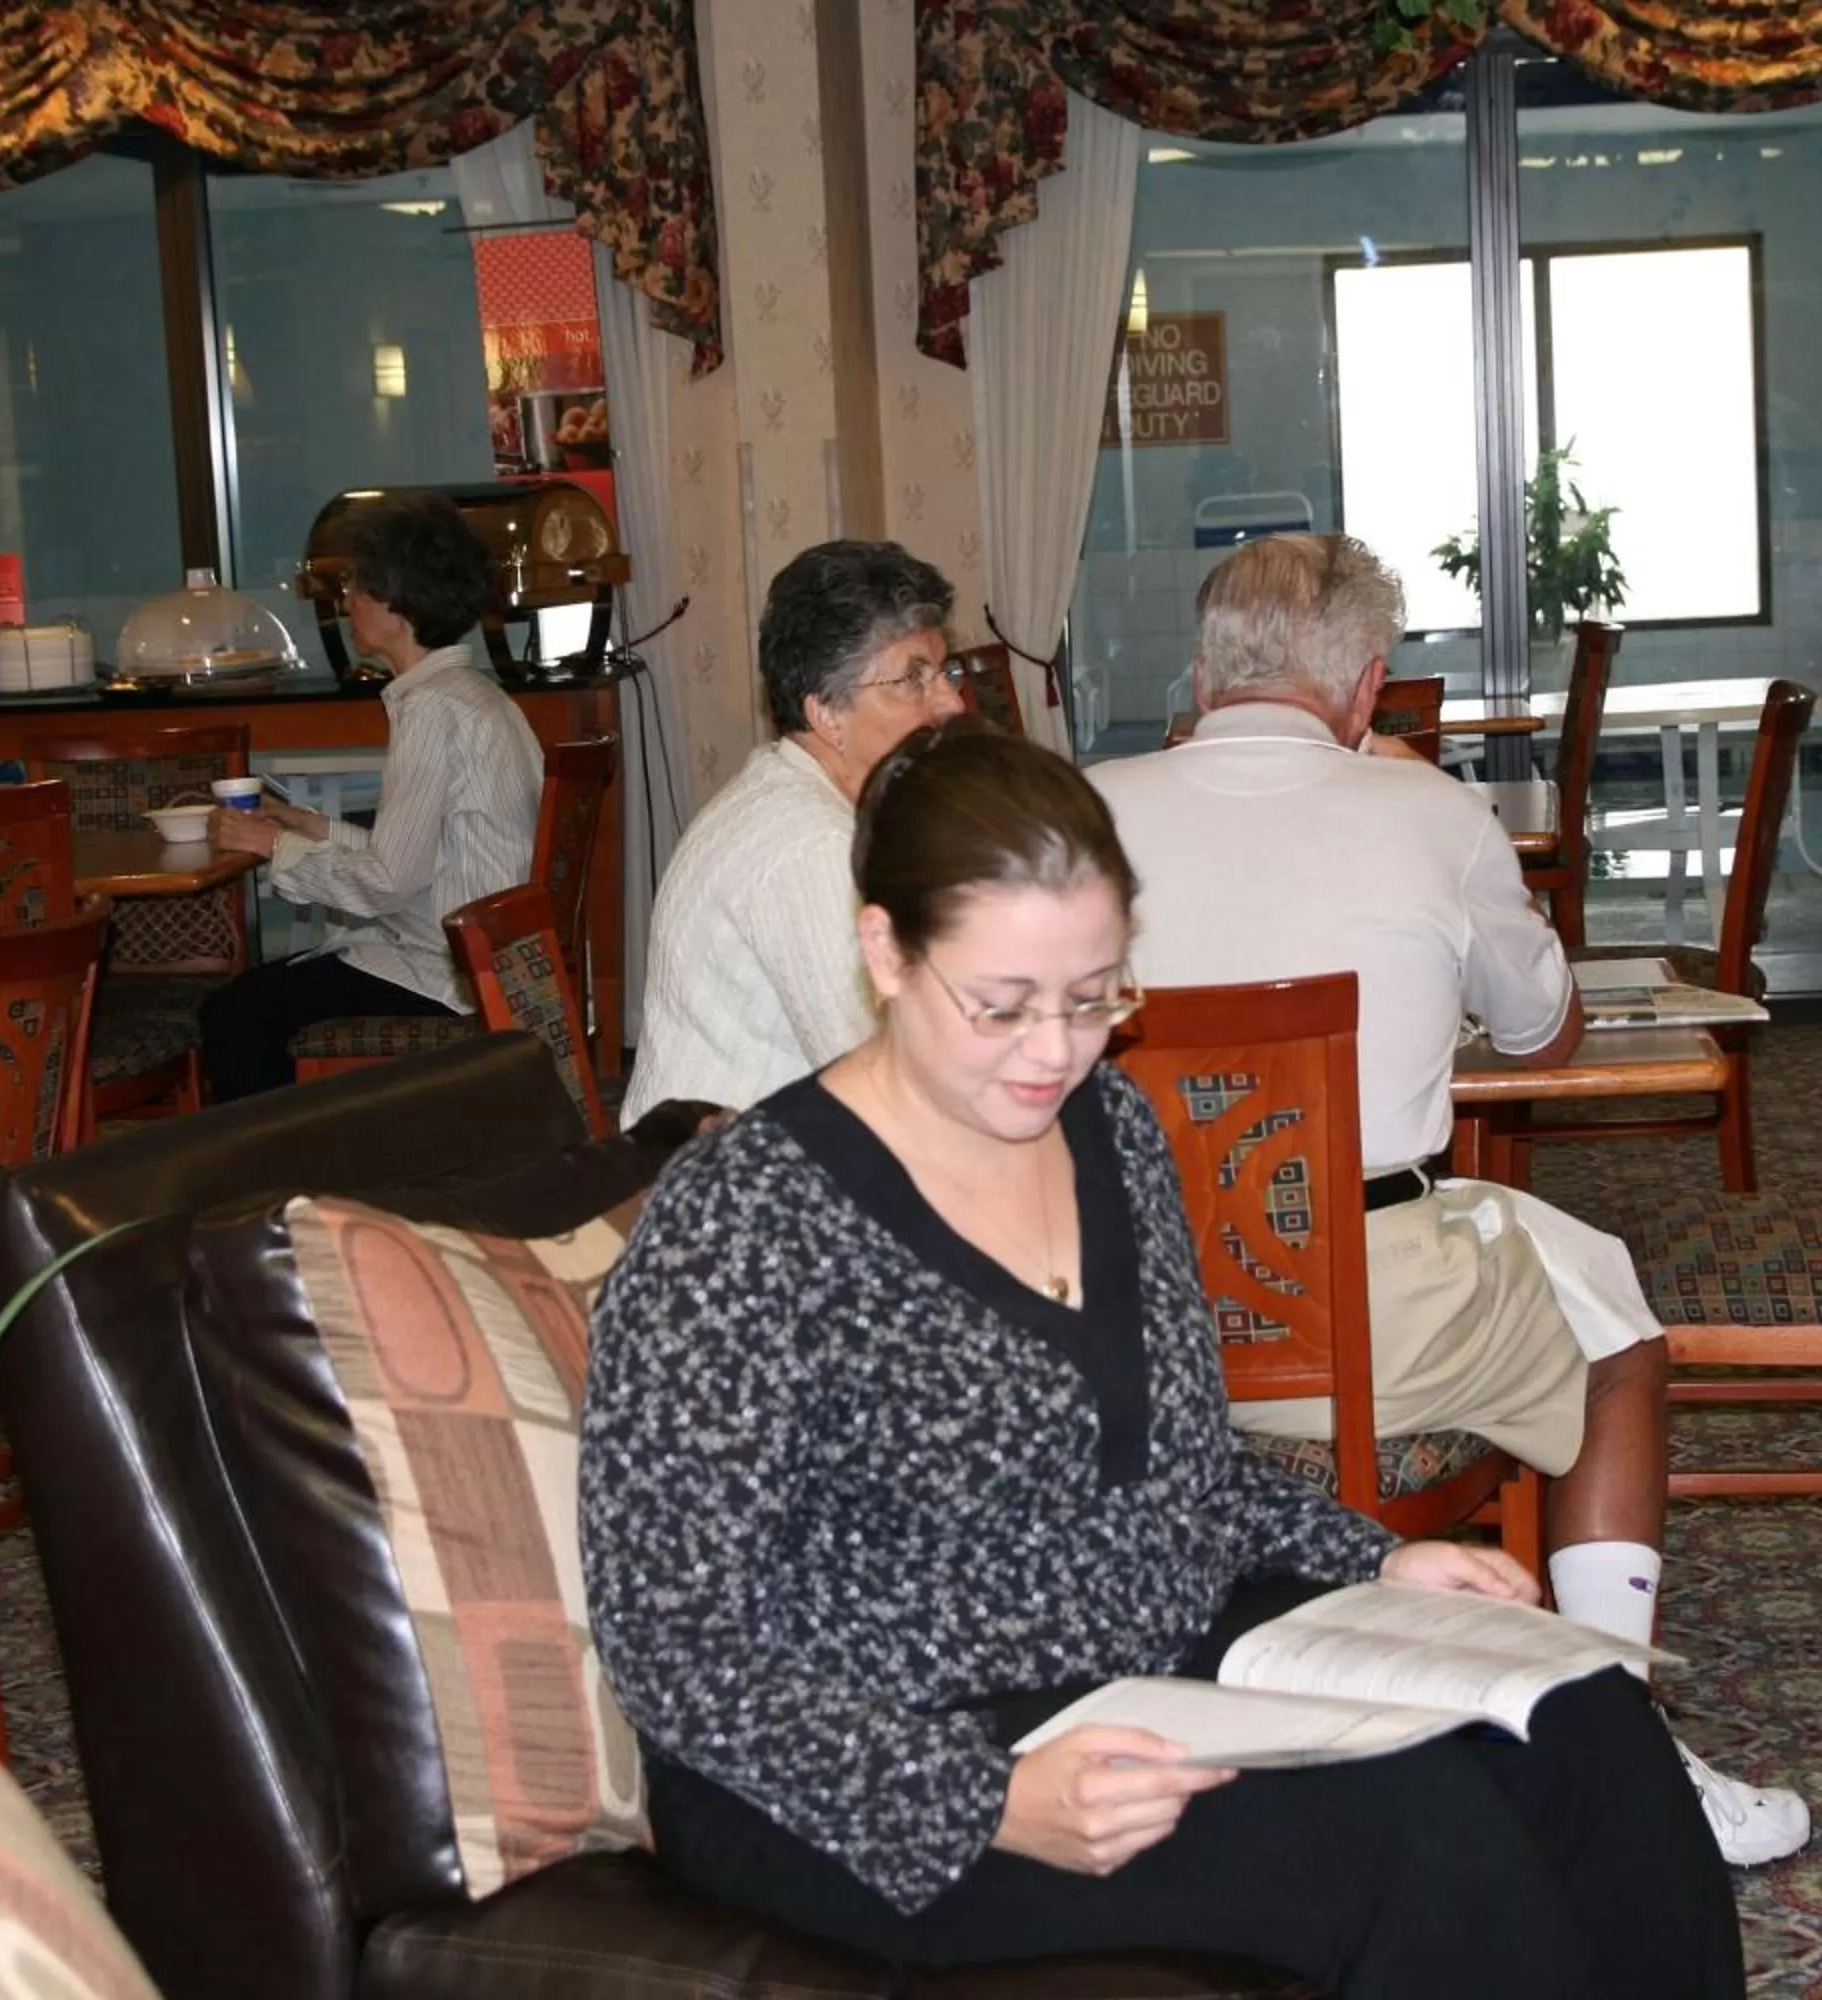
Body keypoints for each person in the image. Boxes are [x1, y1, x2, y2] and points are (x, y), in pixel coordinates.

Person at [582, 725, 1746, 1997]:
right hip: (875, 1759)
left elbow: (1188, 1464)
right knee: (1419, 1840)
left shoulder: (1112, 1130)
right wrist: (983, 1800)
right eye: (1003, 1004)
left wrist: (1382, 1556)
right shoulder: (746, 1217)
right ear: (885, 952)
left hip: (1148, 1659)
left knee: (1583, 1714)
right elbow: (670, 1641)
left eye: (1096, 996)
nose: (1055, 1049)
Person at [1086, 533, 1809, 1868]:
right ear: (1366, 690)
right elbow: (1547, 1039)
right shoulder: (1428, 812)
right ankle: (1623, 1727)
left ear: (1199, 672)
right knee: (1620, 1346)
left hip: (1118, 1327)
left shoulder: (1081, 816)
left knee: (1544, 1265)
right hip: (1363, 1318)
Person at [196, 493, 543, 1098]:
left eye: (358, 587)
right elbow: (421, 857)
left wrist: (268, 842)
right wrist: (311, 827)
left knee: (234, 1015)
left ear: (398, 603)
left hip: (449, 966)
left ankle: (276, 1184)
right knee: (256, 1000)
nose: (347, 602)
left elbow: (387, 882)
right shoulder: (472, 695)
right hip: (488, 948)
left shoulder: (431, 708)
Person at [620, 539, 965, 1124]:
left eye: (944, 671)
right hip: (712, 1187)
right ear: (825, 713)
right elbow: (881, 1082)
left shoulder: (801, 800)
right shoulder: (812, 847)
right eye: (913, 678)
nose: (952, 702)